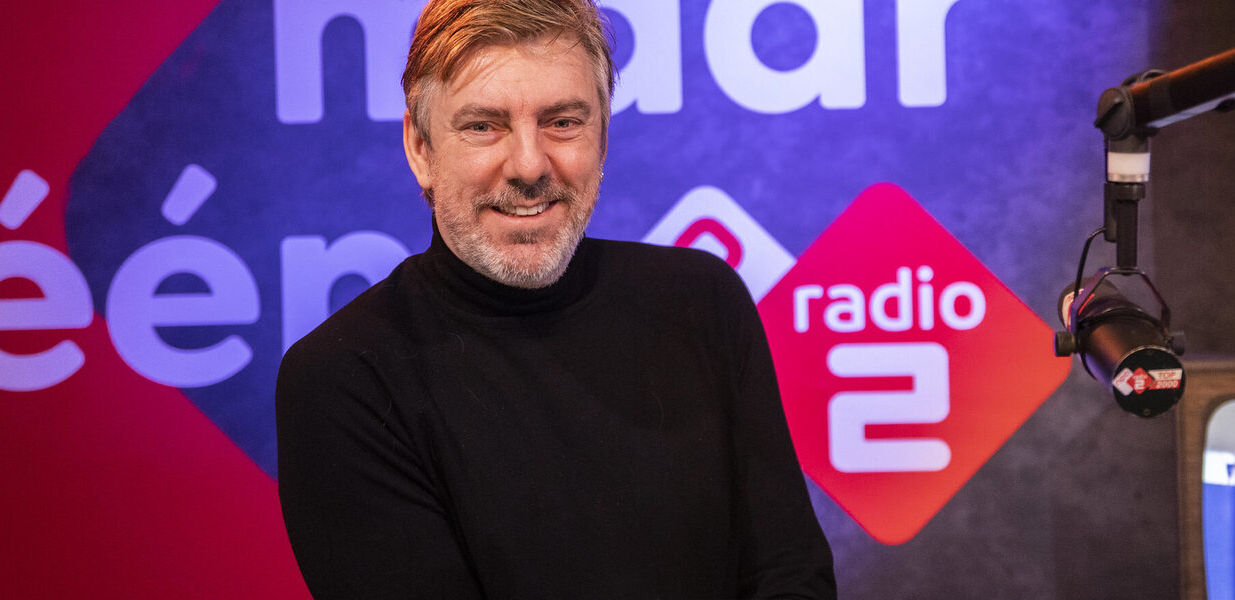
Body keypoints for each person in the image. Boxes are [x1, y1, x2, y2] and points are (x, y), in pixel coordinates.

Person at [275, 0, 836, 597]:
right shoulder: (343, 377)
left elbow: (790, 576)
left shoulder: (701, 301)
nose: (528, 166)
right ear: (421, 148)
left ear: (603, 135)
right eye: (483, 126)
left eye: (563, 122)